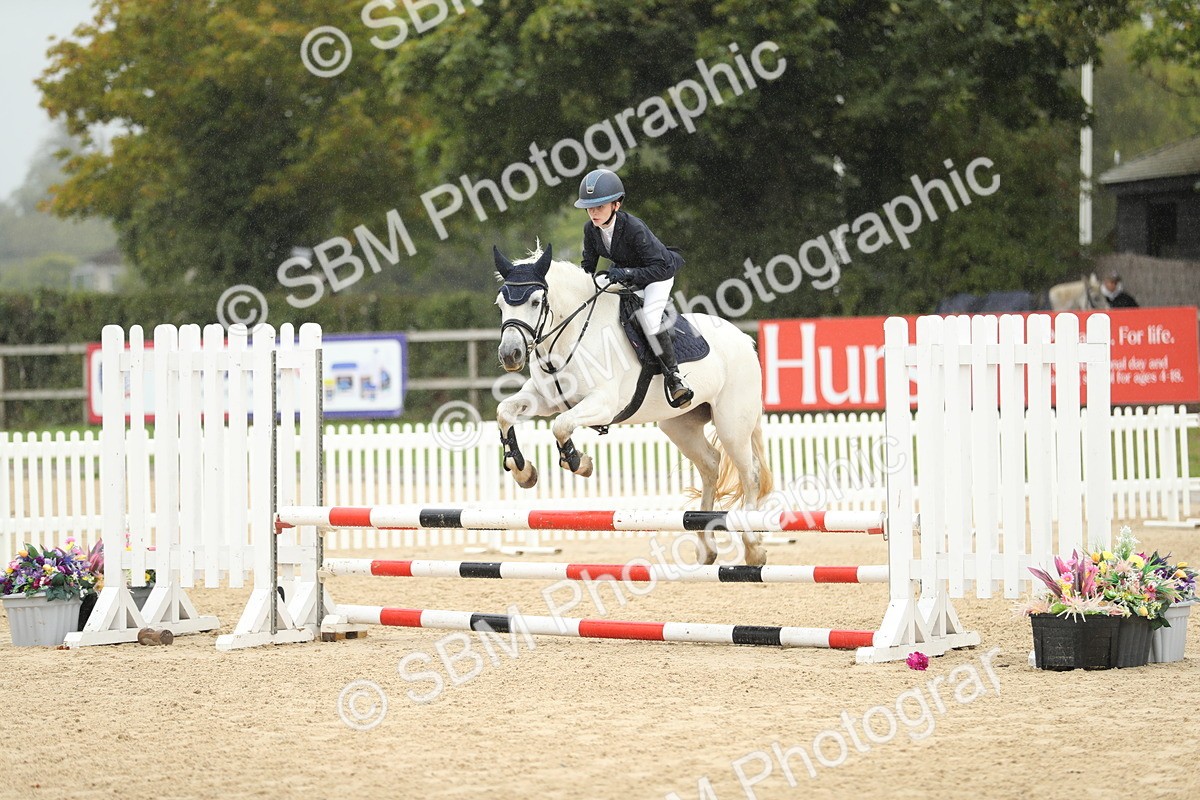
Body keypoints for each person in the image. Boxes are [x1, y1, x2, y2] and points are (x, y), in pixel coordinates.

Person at [575, 168, 693, 409]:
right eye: (590, 207)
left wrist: (625, 273)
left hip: (658, 275)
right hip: (627, 275)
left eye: (599, 207)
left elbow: (660, 268)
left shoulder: (633, 228)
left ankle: (674, 377)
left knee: (649, 318)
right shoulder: (591, 230)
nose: (593, 213)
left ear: (616, 205)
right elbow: (587, 267)